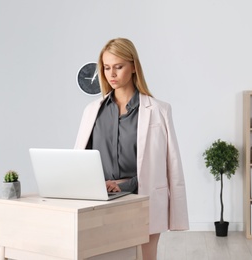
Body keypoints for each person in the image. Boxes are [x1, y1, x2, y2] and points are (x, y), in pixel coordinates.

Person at [74, 38, 189, 260]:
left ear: (134, 66)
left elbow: (171, 165)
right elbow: (81, 160)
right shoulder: (92, 111)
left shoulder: (159, 110)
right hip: (101, 202)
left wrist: (125, 184)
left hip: (141, 200)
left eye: (118, 66)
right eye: (106, 68)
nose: (111, 74)